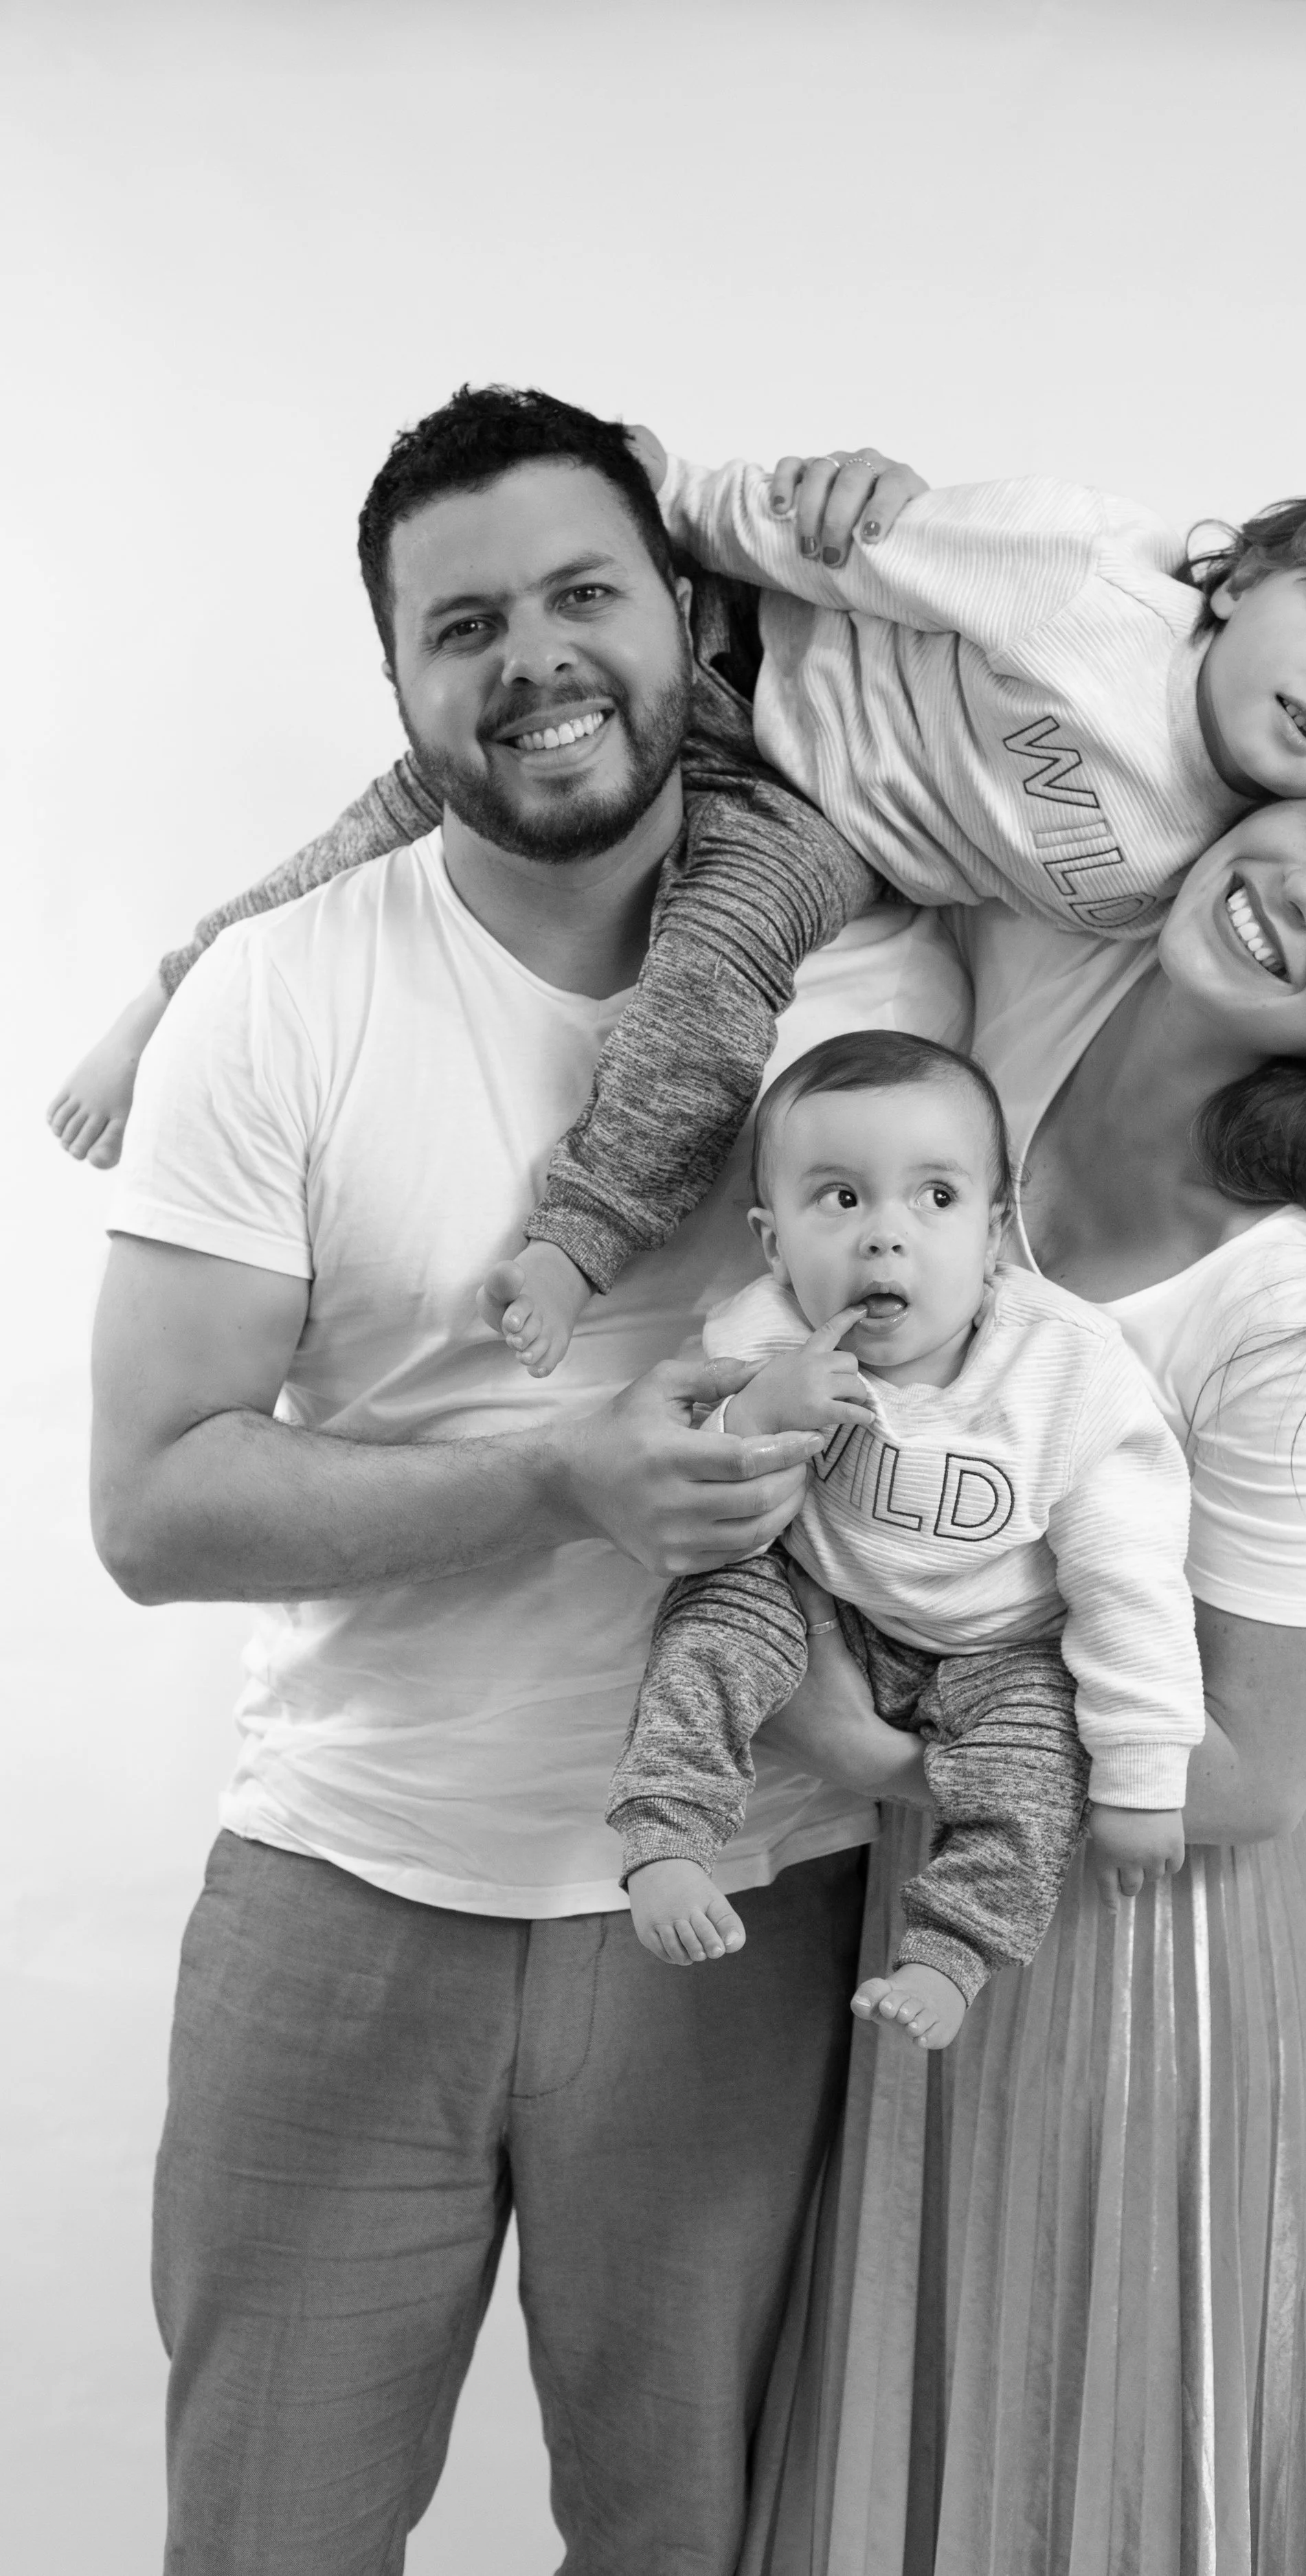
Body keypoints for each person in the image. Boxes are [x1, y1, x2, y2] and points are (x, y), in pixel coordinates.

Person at [87, 394, 969, 2575]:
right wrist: (562, 1478)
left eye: (584, 593)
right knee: (266, 2538)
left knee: (693, 2542)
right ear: (397, 682)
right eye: (462, 624)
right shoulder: (282, 994)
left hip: (742, 1901)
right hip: (343, 1886)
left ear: (685, 611)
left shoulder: (873, 975)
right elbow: (156, 1501)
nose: (535, 658)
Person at [734, 747, 1306, 2573]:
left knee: (1076, 2479)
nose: (1303, 890)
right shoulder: (1023, 997)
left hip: (1139, 1941)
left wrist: (874, 1752)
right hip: (939, 1889)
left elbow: (1251, 1765)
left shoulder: (1280, 1297)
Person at [50, 420, 1306, 1381]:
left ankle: (575, 1238)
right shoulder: (1089, 583)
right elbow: (856, 543)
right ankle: (166, 997)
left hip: (809, 823)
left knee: (712, 985)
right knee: (389, 819)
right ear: (1250, 572)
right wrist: (654, 506)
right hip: (742, 664)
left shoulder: (1223, 877)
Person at [609, 1030, 1204, 2052]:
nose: (886, 1238)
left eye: (935, 1197)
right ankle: (666, 1831)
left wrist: (1143, 1777)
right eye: (841, 1199)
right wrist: (758, 1415)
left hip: (1000, 1649)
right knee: (713, 1616)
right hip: (827, 1604)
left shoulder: (1064, 1374)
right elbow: (687, 1493)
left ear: (995, 1229)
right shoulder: (762, 1338)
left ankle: (950, 1953)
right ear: (773, 1244)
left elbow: (1129, 1580)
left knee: (1037, 1763)